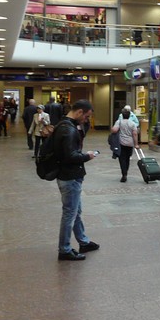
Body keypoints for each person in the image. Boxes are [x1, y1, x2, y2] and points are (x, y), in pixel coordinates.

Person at [52, 99, 99, 261]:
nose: (86, 120)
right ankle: (64, 249)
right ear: (79, 112)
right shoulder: (69, 130)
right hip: (69, 176)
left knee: (75, 212)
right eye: (86, 117)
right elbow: (71, 156)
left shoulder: (64, 125)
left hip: (69, 175)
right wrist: (87, 156)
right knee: (70, 213)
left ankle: (83, 241)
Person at [111, 109, 139, 182]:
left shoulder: (119, 122)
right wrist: (136, 144)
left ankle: (124, 174)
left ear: (122, 115)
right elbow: (135, 134)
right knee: (127, 158)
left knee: (122, 159)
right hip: (130, 144)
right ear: (129, 115)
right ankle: (126, 171)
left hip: (121, 143)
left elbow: (114, 130)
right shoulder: (132, 123)